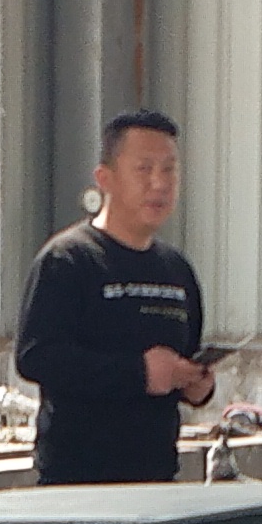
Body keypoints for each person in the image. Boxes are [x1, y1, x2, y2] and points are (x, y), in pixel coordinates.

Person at [15, 111, 213, 485]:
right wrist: (137, 374)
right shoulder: (68, 260)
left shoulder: (177, 270)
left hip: (157, 480)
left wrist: (196, 386)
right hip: (78, 485)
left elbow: (184, 361)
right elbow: (36, 357)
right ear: (105, 178)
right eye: (144, 169)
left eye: (169, 170)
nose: (159, 183)